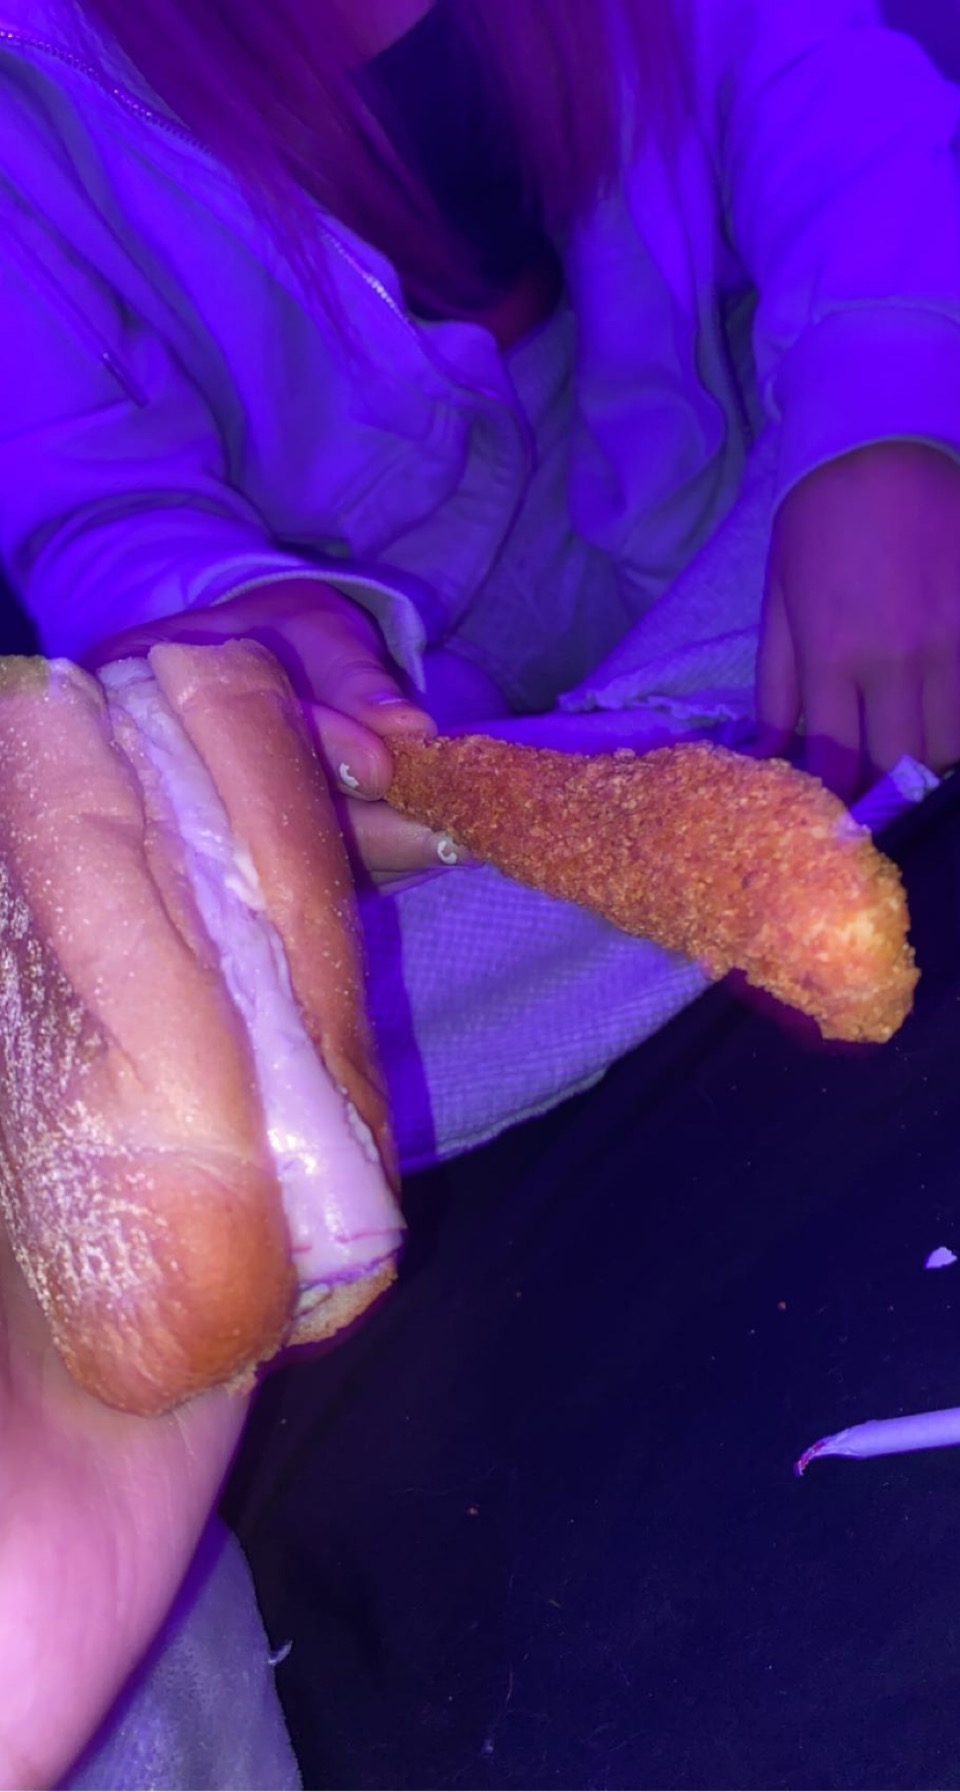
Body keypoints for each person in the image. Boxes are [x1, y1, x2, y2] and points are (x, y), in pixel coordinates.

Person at [0, 0, 959, 1780]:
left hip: (757, 540)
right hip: (391, 773)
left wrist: (883, 420)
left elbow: (827, 84)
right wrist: (237, 622)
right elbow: (81, 496)